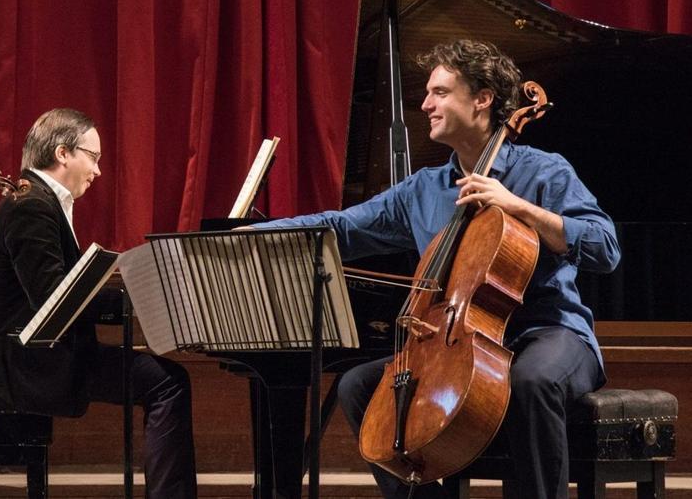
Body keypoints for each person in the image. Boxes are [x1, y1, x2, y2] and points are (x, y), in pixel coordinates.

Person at [251, 40, 620, 499]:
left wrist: (519, 207)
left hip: (549, 334)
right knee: (359, 386)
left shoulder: (544, 172)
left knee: (531, 380)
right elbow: (340, 227)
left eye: (440, 93)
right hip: (457, 345)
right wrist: (254, 234)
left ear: (482, 99)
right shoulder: (422, 189)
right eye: (428, 93)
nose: (425, 104)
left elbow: (605, 248)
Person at [0, 108, 198, 498]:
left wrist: (131, 300)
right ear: (62, 153)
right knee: (168, 384)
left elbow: (62, 295)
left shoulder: (39, 201)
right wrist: (137, 298)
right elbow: (52, 298)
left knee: (167, 380)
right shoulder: (31, 206)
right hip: (24, 364)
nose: (97, 171)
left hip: (45, 355)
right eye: (93, 157)